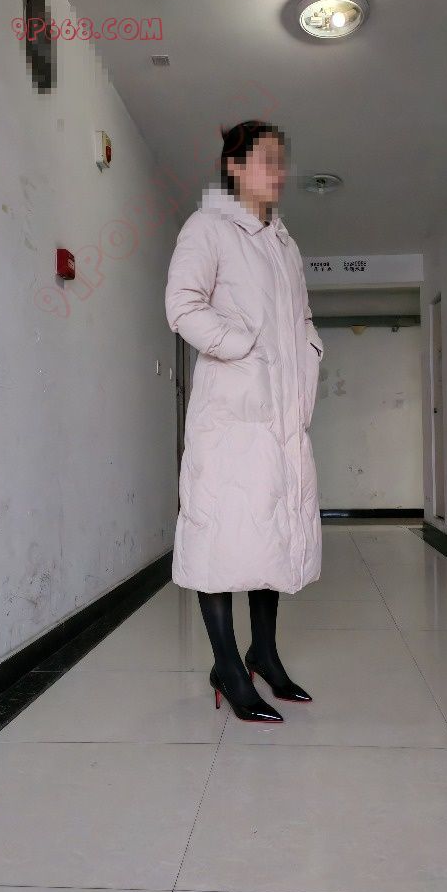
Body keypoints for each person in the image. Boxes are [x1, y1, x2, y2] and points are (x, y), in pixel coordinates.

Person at [164, 120, 324, 722]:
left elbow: (301, 321)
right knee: (217, 536)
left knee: (268, 533)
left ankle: (264, 654)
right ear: (233, 166)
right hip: (230, 416)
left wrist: (307, 357)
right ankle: (228, 667)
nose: (279, 171)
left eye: (283, 160)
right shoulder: (207, 227)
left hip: (278, 421)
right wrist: (243, 347)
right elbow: (182, 305)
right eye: (266, 159)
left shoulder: (285, 245)